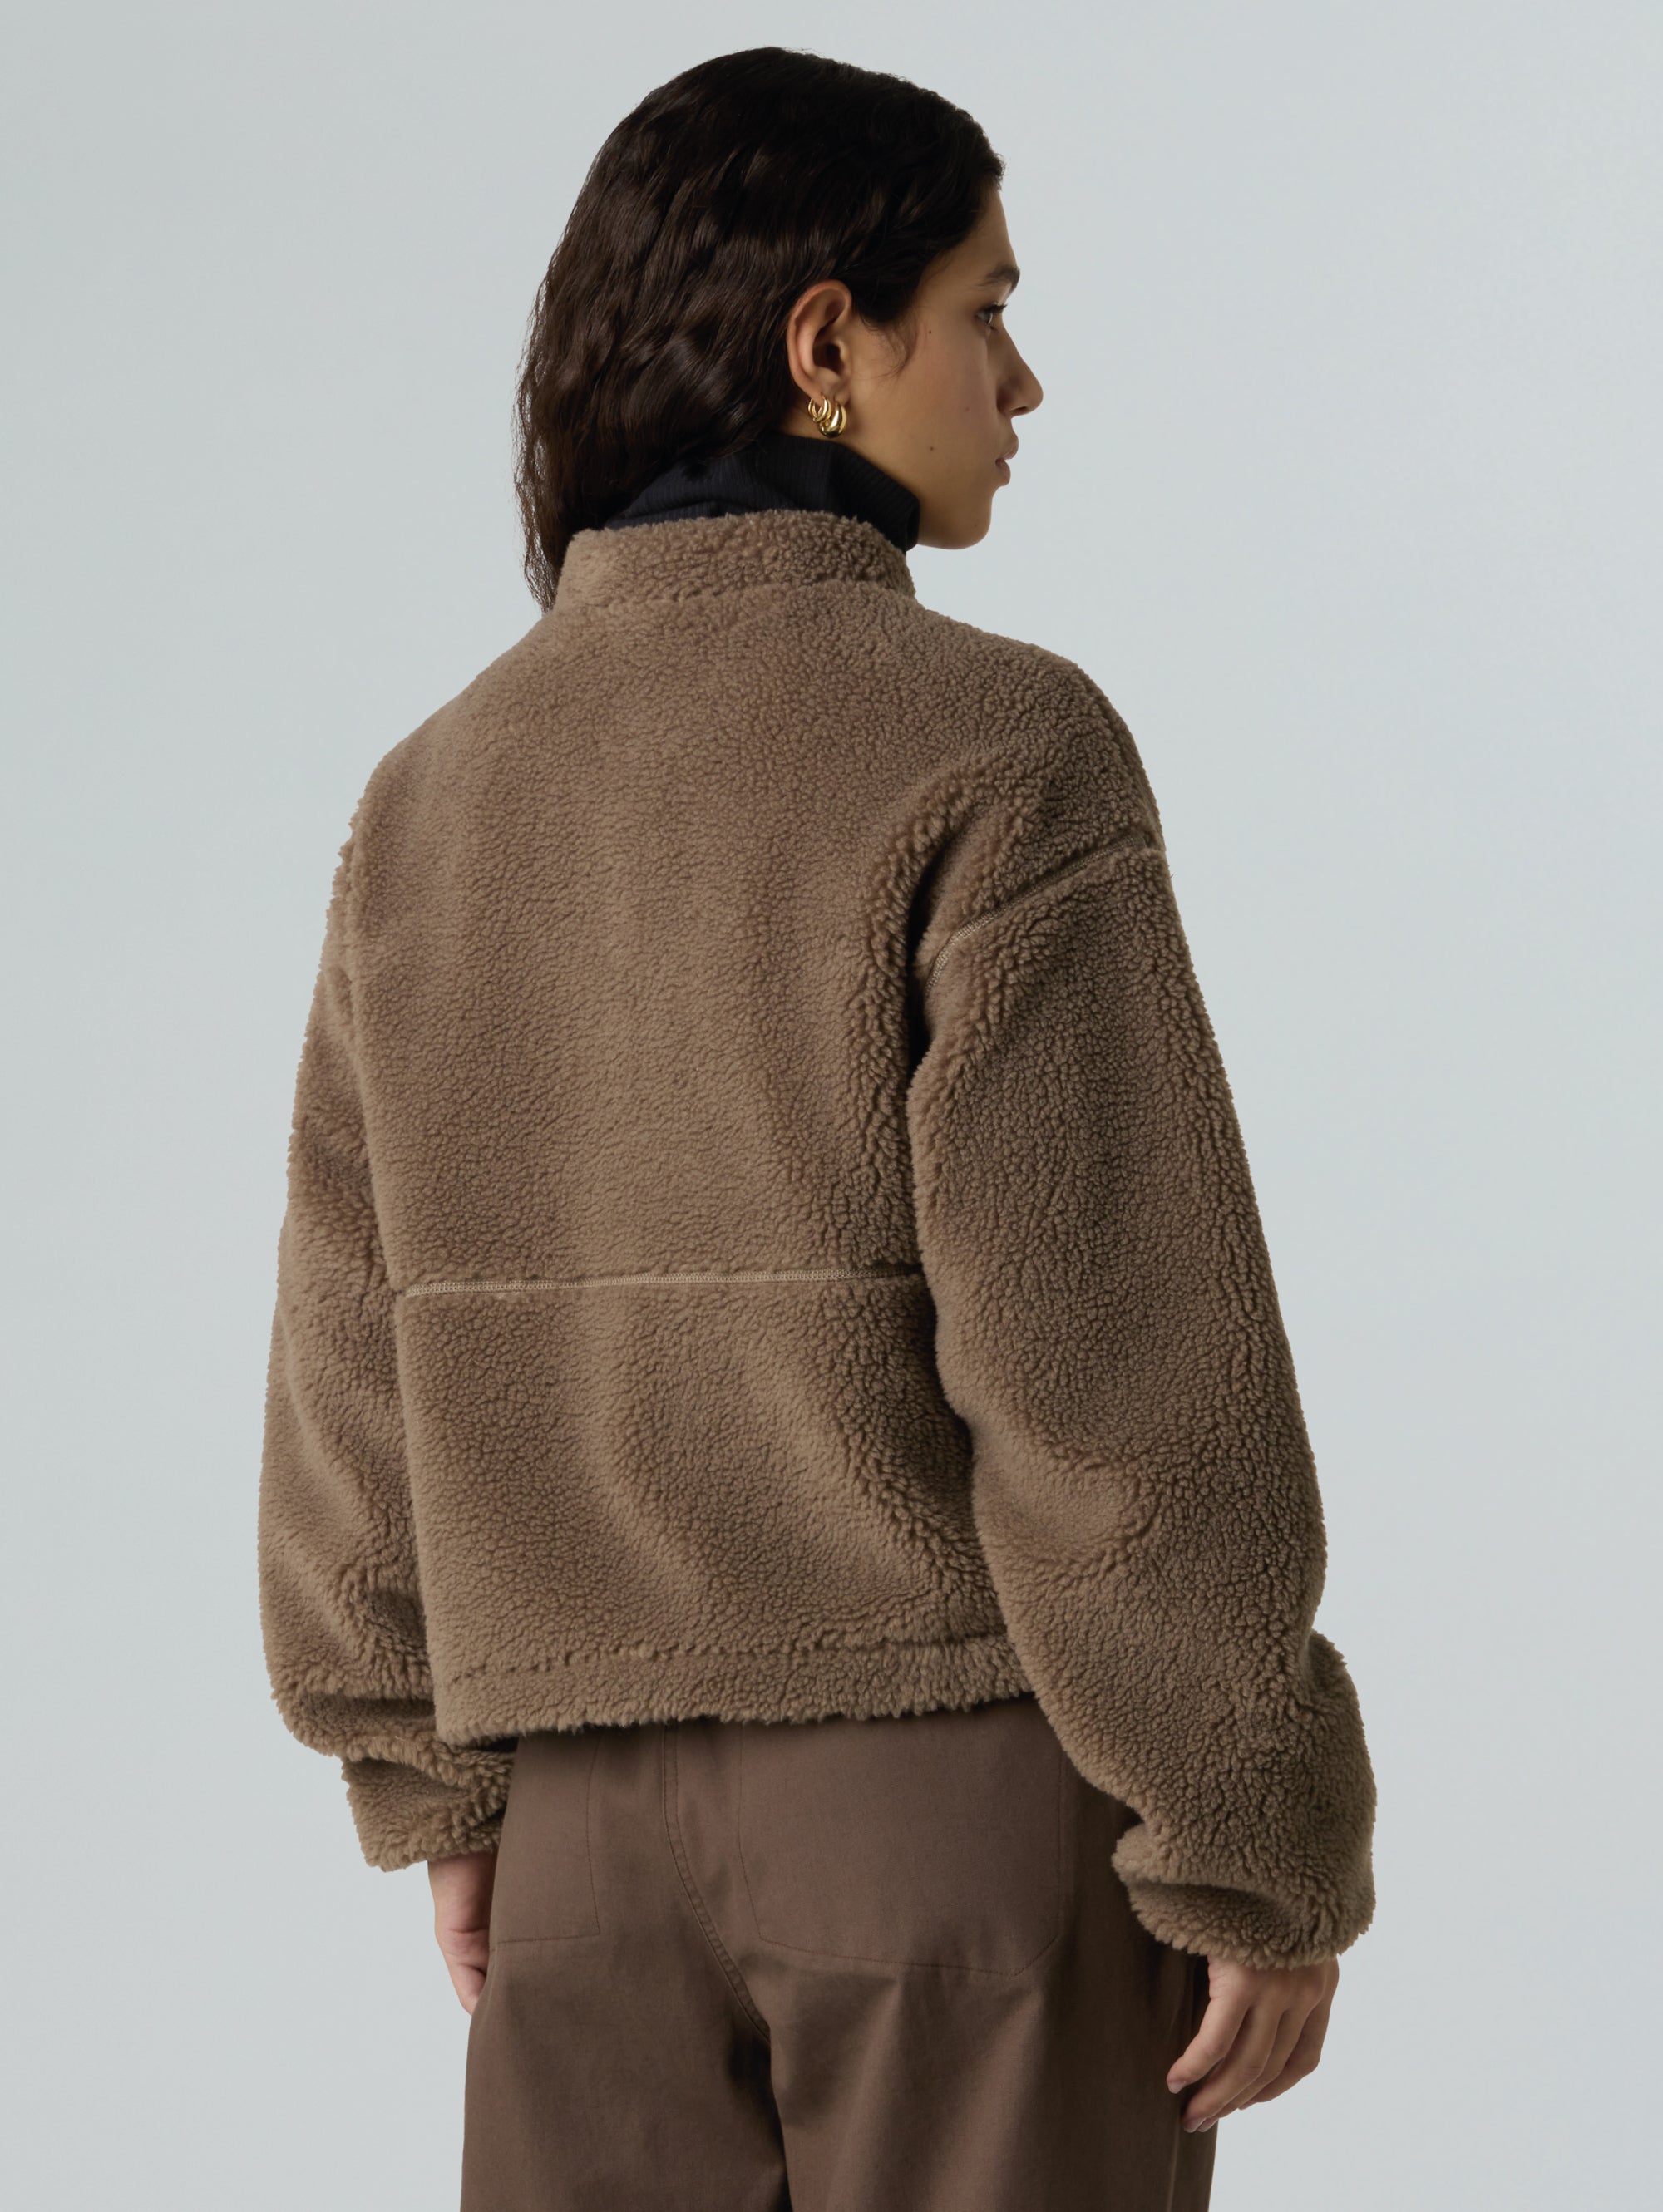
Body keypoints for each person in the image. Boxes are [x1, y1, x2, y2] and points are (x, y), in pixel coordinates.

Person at [257, 45, 1375, 2211]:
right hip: (954, 1817)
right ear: (825, 345)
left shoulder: (440, 790)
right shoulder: (994, 747)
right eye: (985, 310)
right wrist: (1250, 1834)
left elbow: (349, 1351)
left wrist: (433, 1783)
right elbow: (1117, 1361)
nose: (1023, 382)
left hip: (582, 1841)